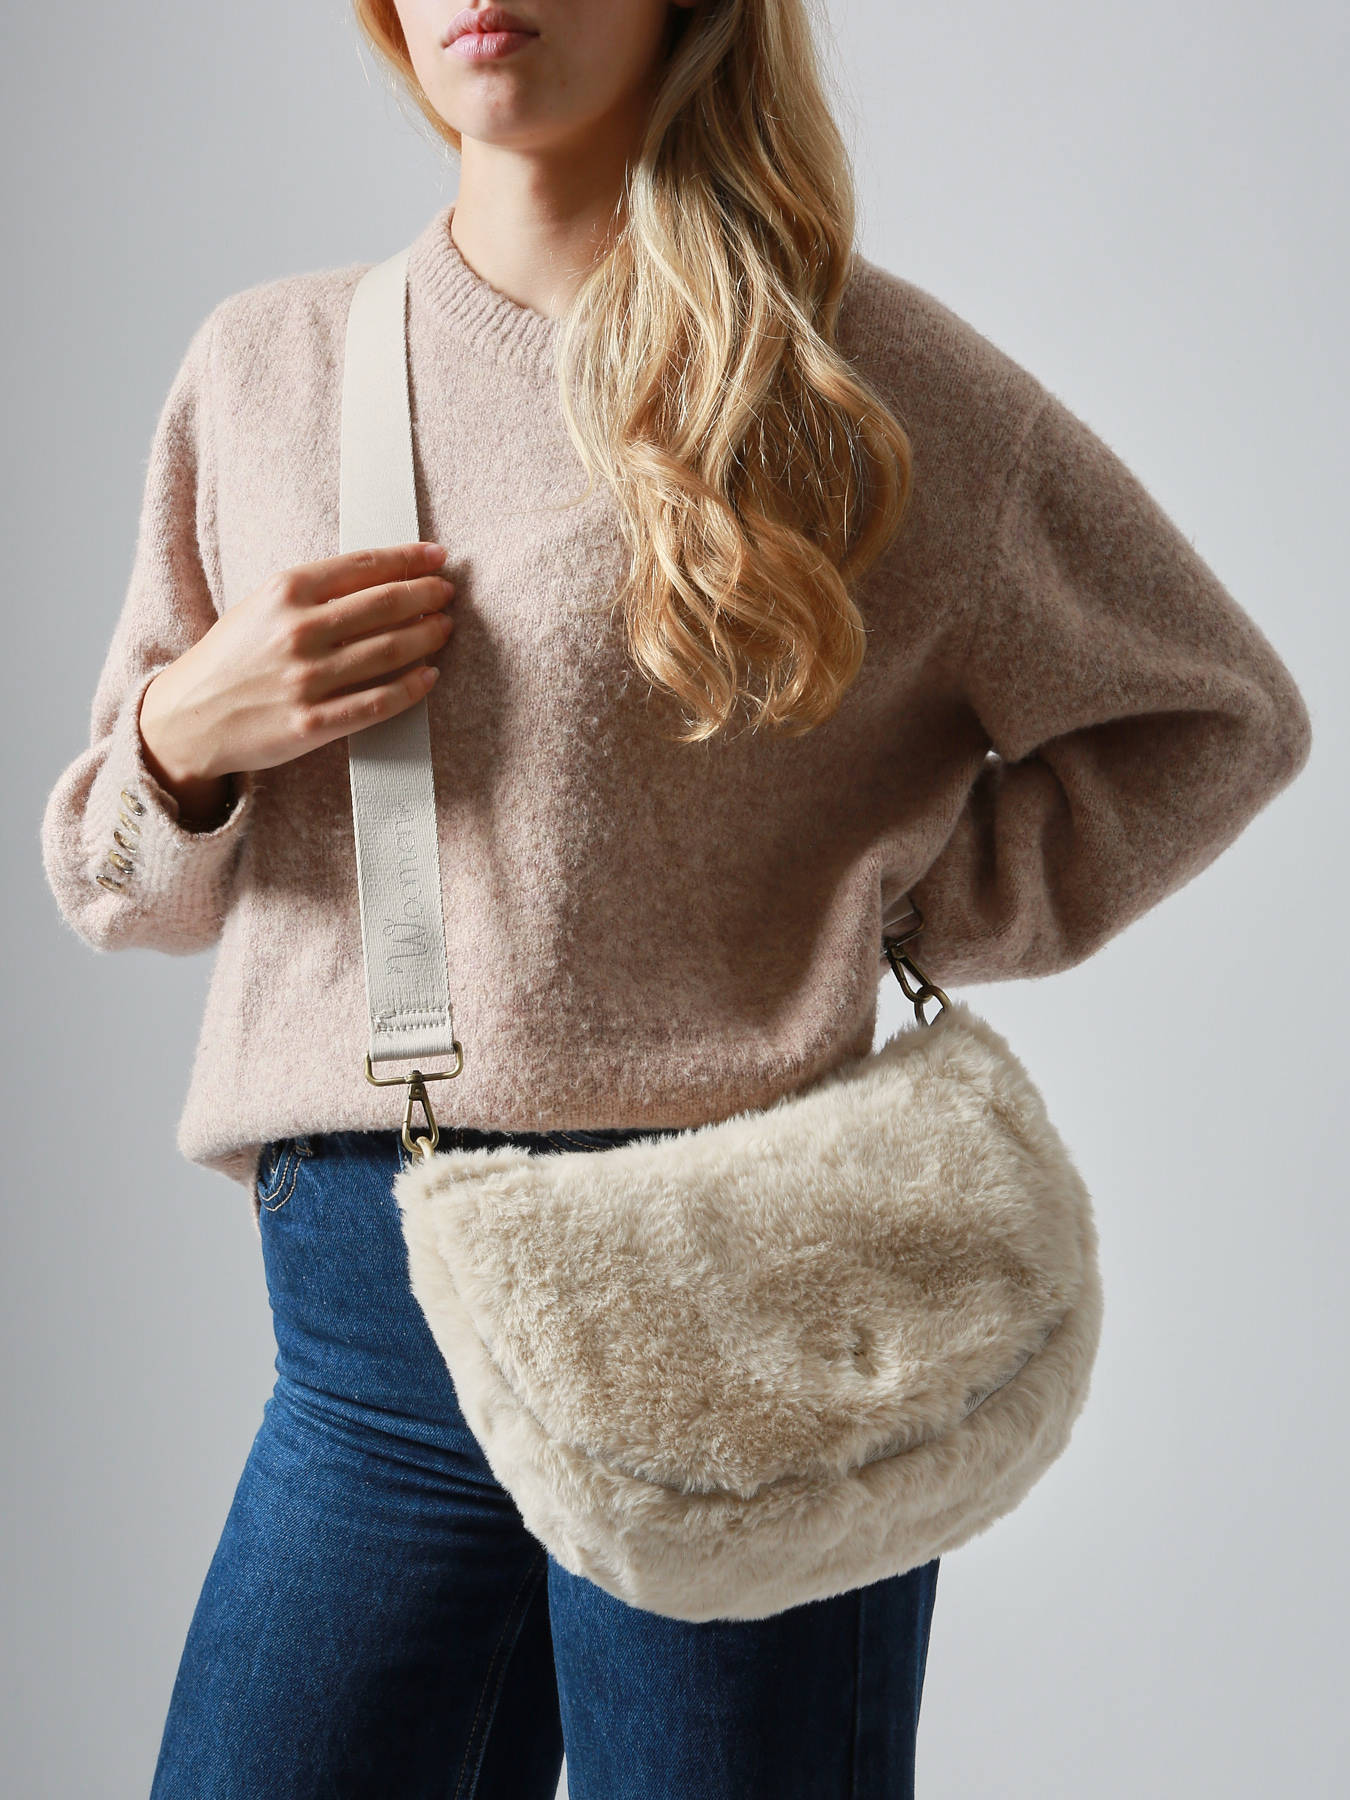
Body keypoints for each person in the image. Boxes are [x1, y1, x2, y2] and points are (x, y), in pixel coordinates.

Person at [39, 3, 1312, 1796]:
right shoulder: (265, 369)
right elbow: (119, 892)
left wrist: (880, 915)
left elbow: (1213, 716)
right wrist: (183, 733)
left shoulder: (851, 381)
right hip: (367, 1342)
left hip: (735, 1306)